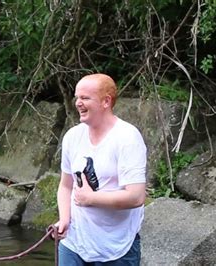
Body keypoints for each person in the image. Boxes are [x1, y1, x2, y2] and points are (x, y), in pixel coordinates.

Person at [54, 73, 147, 265]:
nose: (78, 103)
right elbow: (66, 186)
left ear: (106, 101)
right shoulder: (72, 136)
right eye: (77, 97)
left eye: (85, 98)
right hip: (74, 243)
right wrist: (64, 219)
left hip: (115, 247)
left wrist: (91, 198)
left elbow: (136, 197)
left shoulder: (127, 138)